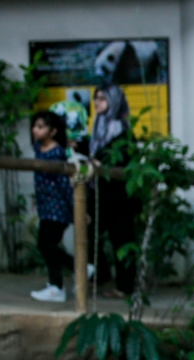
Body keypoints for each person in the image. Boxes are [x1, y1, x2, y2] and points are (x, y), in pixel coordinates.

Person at [79, 84, 138, 297]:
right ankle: (101, 274)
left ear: (114, 101)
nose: (97, 102)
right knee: (86, 232)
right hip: (99, 194)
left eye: (103, 98)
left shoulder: (123, 132)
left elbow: (123, 160)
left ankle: (125, 287)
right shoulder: (98, 127)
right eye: (96, 97)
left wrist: (99, 163)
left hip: (119, 197)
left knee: (121, 240)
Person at [29, 111, 76, 303]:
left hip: (58, 208)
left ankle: (57, 286)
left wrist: (74, 209)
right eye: (35, 126)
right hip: (46, 207)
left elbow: (64, 184)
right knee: (48, 245)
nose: (35, 130)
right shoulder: (39, 149)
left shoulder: (57, 153)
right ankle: (78, 268)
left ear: (53, 131)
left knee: (46, 244)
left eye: (41, 127)